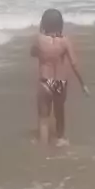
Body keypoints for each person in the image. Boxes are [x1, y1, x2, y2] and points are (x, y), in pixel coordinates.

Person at [30, 8, 89, 145]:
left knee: (43, 119)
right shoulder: (65, 41)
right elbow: (74, 64)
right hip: (60, 83)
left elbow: (32, 53)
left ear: (43, 23)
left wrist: (40, 36)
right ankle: (61, 140)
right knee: (59, 114)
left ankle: (43, 146)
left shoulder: (39, 40)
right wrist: (83, 84)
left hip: (45, 82)